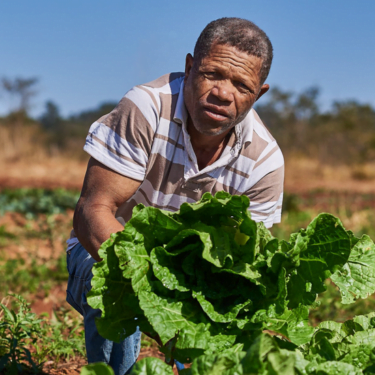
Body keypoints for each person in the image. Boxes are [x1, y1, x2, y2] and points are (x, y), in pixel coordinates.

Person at [65, 17, 284, 375]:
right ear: (189, 67)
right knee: (112, 286)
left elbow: (245, 264)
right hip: (105, 256)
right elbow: (93, 213)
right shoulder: (146, 109)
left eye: (242, 84)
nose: (223, 93)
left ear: (259, 93)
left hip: (193, 281)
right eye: (212, 73)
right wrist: (152, 281)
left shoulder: (265, 161)